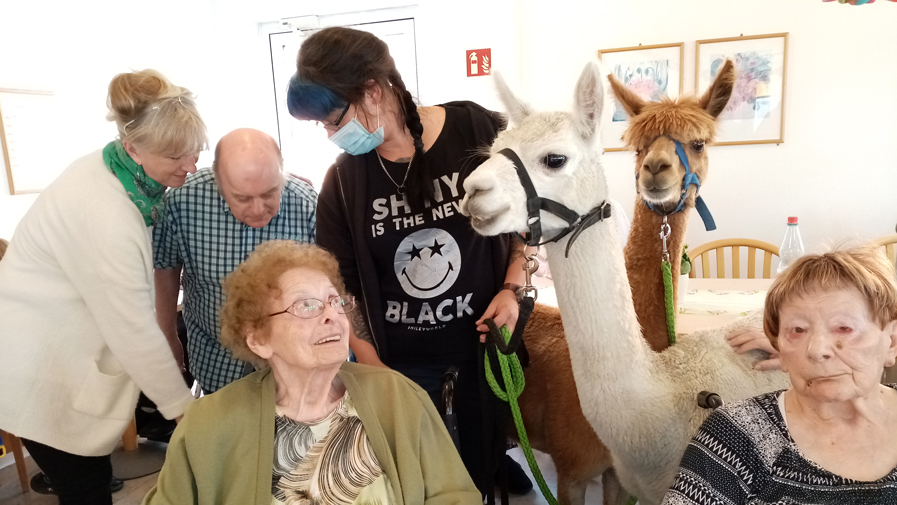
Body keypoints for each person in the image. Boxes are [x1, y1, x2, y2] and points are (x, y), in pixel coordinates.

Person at [285, 26, 532, 494]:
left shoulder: (477, 130)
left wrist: (513, 287)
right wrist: (371, 364)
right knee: (417, 484)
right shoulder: (342, 182)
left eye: (334, 119)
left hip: (482, 348)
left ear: (373, 92)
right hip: (399, 365)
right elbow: (341, 285)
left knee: (476, 475)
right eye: (323, 127)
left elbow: (528, 220)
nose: (332, 135)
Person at [143, 240, 482, 504]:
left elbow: (454, 495)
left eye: (336, 302)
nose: (332, 315)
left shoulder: (397, 396)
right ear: (259, 339)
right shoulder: (209, 425)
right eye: (307, 305)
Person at [0, 69, 201, 505]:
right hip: (38, 369)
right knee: (85, 491)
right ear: (133, 147)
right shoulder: (103, 212)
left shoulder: (116, 171)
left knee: (88, 483)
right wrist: (186, 412)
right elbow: (132, 329)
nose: (191, 166)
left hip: (56, 353)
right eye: (174, 157)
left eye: (194, 151)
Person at [663, 247, 897, 504]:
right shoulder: (736, 436)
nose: (817, 350)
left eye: (844, 328)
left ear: (892, 341)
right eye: (797, 330)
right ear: (781, 352)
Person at [152, 128, 317, 393]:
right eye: (242, 198)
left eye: (269, 194)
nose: (258, 209)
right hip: (216, 353)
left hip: (290, 355)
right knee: (226, 431)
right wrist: (167, 336)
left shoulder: (306, 203)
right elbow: (165, 269)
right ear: (217, 180)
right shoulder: (182, 203)